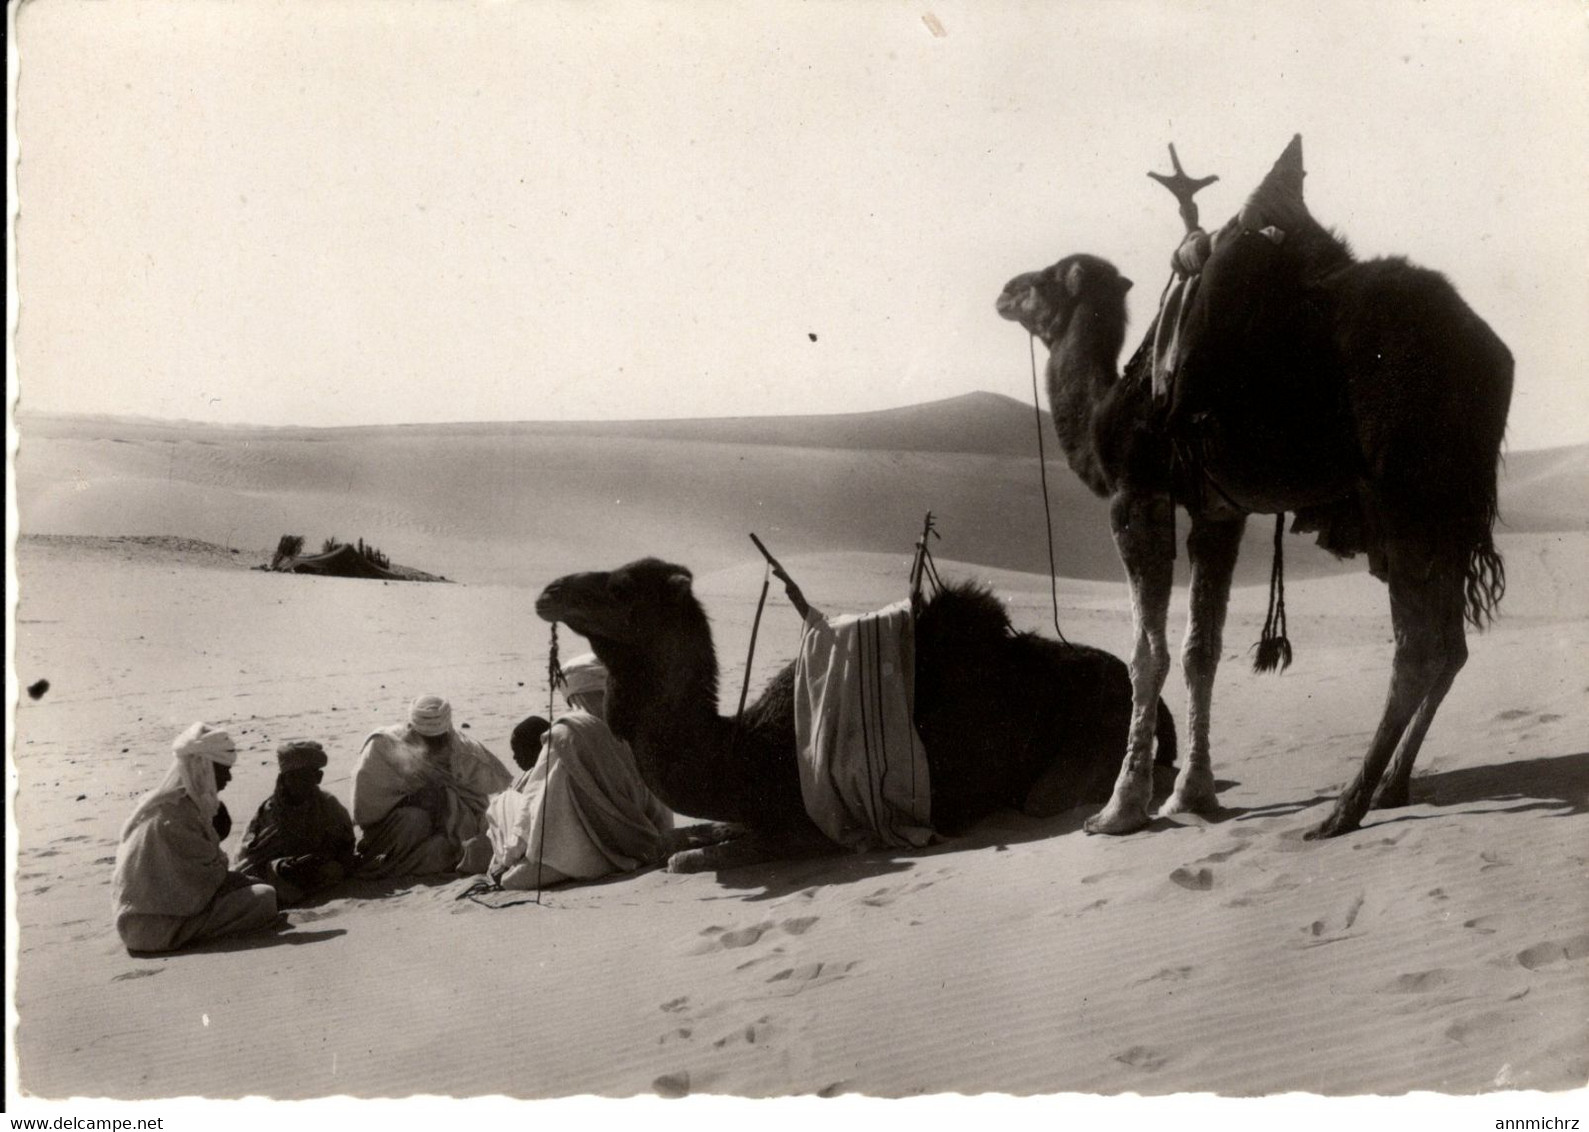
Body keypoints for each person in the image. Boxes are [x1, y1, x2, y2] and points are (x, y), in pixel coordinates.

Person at [484, 655, 672, 889]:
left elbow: (533, 802)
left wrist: (511, 855)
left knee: (502, 805)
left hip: (577, 857)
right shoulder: (636, 728)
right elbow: (659, 804)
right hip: (638, 844)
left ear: (573, 694)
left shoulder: (567, 732)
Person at [111, 722, 280, 954]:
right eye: (224, 769)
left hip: (137, 922)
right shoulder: (179, 815)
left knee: (252, 886)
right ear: (204, 768)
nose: (229, 777)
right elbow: (203, 886)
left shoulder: (165, 804)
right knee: (265, 898)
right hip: (156, 928)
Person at [351, 694, 514, 878]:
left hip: (444, 828)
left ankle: (429, 860)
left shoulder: (460, 747)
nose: (434, 745)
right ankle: (389, 864)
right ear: (411, 729)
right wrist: (413, 799)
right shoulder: (383, 745)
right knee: (414, 819)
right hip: (401, 831)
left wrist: (446, 797)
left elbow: (493, 783)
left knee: (452, 843)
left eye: (439, 738)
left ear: (448, 730)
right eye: (427, 739)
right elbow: (364, 811)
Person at [237, 739, 358, 905]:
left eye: (305, 777)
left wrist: (321, 856)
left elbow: (346, 845)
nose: (298, 783)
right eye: (293, 777)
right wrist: (287, 864)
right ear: (283, 779)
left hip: (315, 870)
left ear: (318, 778)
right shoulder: (271, 812)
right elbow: (251, 859)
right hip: (275, 872)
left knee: (333, 871)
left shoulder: (329, 805)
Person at [509, 715, 551, 783]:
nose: (514, 757)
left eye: (518, 751)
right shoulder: (536, 776)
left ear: (534, 750)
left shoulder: (549, 782)